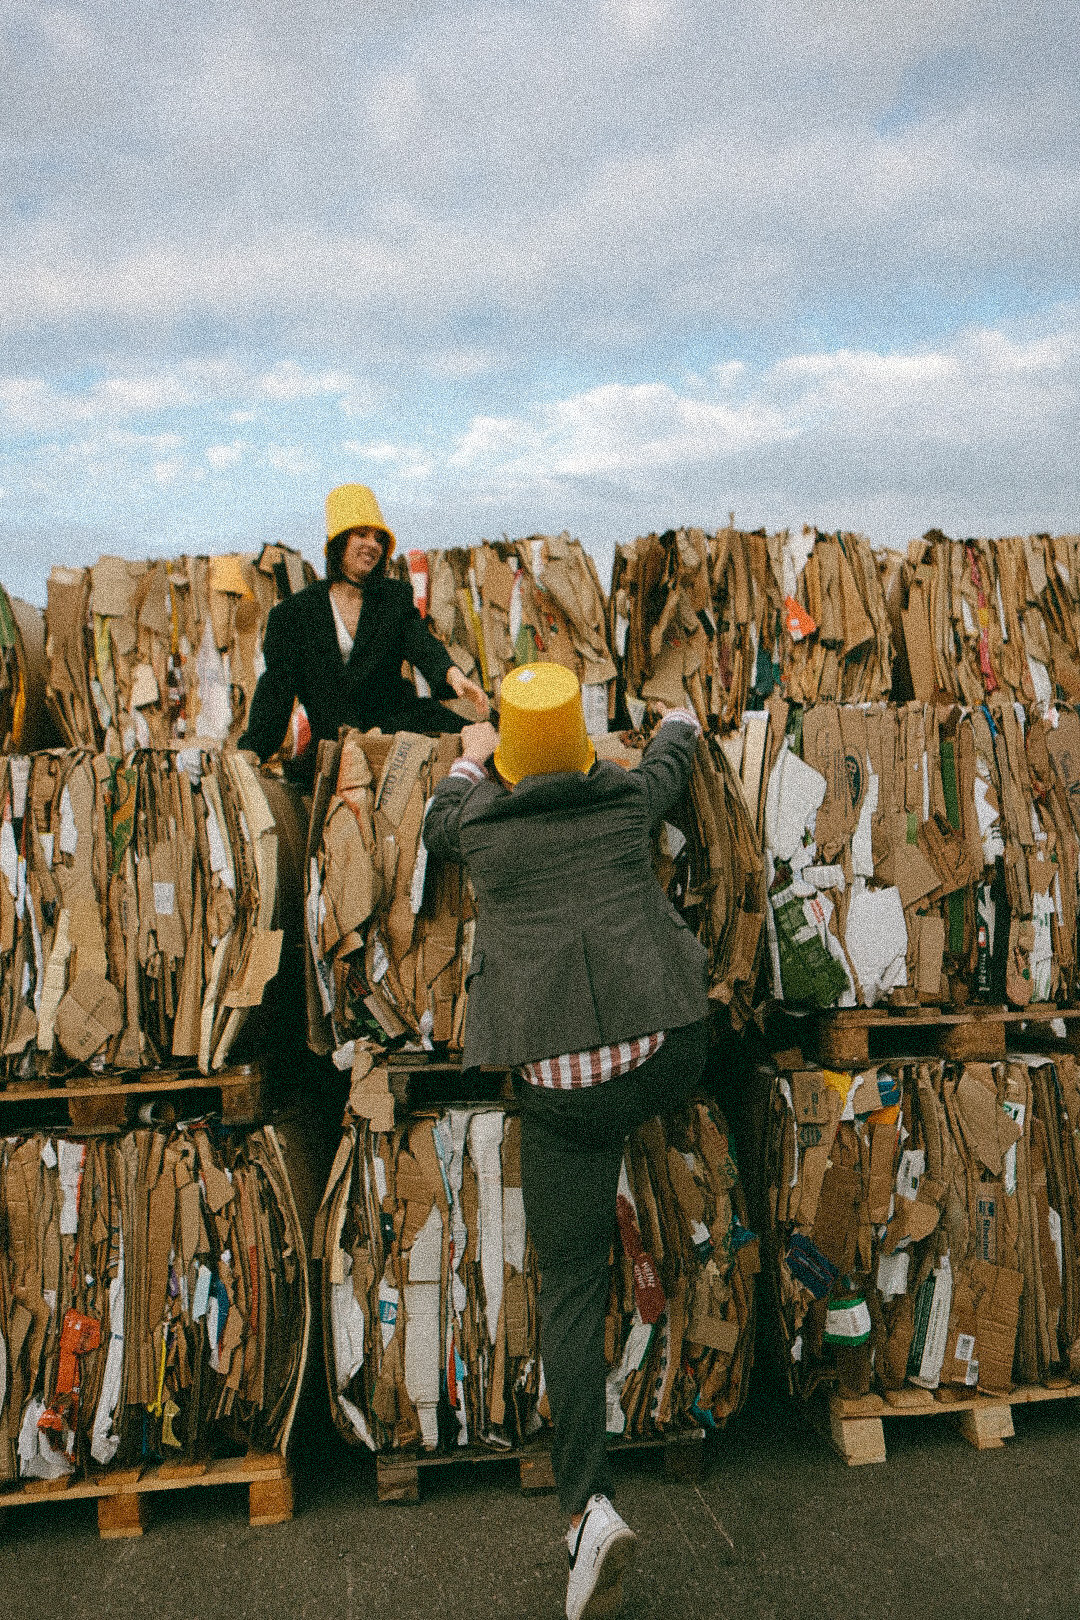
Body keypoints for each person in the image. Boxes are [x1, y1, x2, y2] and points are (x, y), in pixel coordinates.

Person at [423, 662, 711, 1620]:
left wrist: (469, 763)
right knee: (670, 1079)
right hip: (664, 1053)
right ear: (587, 749)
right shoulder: (625, 799)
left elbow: (433, 826)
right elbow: (673, 761)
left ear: (507, 759)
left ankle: (588, 1507)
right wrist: (675, 718)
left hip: (565, 1096)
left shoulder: (482, 828)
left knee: (572, 1285)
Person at [240, 483, 488, 778]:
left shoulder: (394, 598)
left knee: (482, 741)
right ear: (339, 542)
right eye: (361, 534)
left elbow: (420, 641)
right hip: (337, 744)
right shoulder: (293, 615)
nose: (372, 544)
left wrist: (452, 673)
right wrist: (253, 749)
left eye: (378, 538)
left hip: (400, 722)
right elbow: (276, 689)